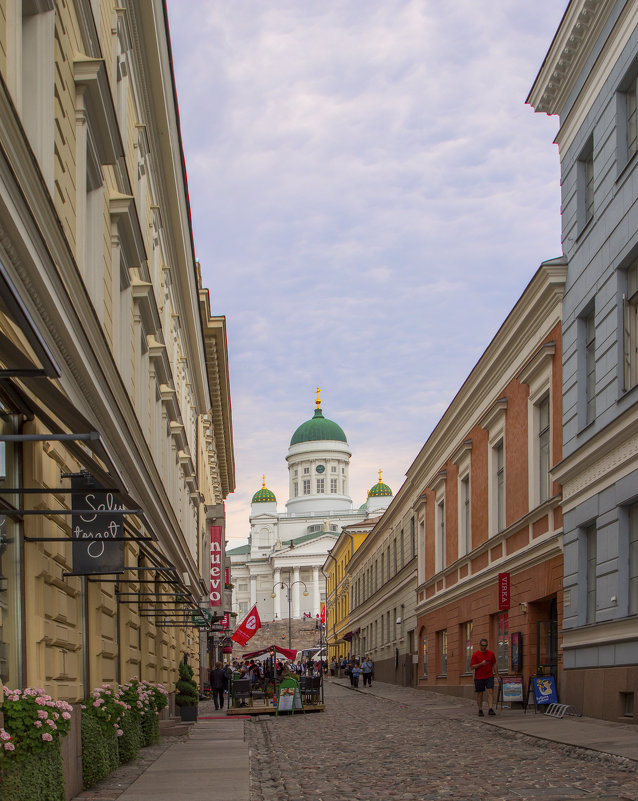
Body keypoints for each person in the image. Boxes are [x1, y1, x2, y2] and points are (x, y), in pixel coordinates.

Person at [469, 638, 498, 717]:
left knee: (490, 691)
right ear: (480, 645)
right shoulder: (475, 655)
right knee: (480, 694)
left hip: (489, 676)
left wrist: (497, 675)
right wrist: (481, 664)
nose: (484, 647)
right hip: (479, 677)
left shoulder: (491, 654)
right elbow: (472, 667)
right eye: (482, 645)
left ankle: (490, 708)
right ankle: (480, 709)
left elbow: (494, 664)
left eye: (485, 646)